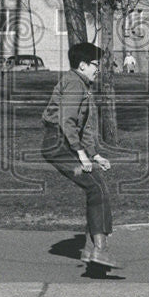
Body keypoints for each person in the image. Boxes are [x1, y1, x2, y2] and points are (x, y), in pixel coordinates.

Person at [41, 42, 119, 268]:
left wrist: (94, 156)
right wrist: (81, 156)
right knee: (96, 187)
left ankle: (91, 249)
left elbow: (82, 127)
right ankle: (98, 251)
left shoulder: (82, 85)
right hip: (58, 144)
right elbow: (67, 122)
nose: (99, 69)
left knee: (96, 186)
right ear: (83, 65)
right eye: (96, 65)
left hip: (62, 143)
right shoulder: (75, 83)